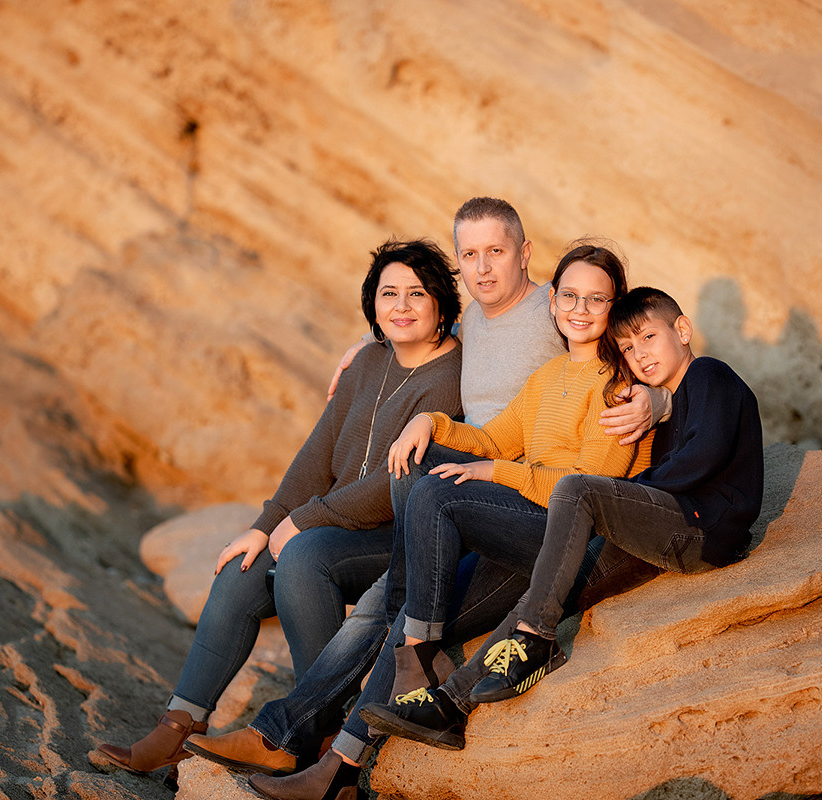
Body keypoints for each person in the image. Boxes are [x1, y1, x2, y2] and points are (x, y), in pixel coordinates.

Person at [180, 202, 665, 777]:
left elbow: (646, 353)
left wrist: (658, 398)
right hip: (486, 498)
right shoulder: (499, 339)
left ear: (527, 255)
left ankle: (380, 679)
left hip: (526, 512)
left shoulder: (566, 330)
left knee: (394, 585)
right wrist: (402, 381)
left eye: (498, 252)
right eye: (470, 255)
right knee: (377, 595)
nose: (484, 268)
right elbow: (450, 363)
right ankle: (299, 742)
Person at [92, 238, 464, 779]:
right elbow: (314, 458)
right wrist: (264, 526)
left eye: (416, 294)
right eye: (388, 294)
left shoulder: (450, 378)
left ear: (441, 307)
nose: (401, 306)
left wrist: (304, 520)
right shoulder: (366, 361)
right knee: (243, 568)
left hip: (401, 536)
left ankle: (304, 731)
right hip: (336, 528)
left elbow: (393, 484)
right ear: (373, 305)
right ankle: (179, 728)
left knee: (303, 555)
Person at [362, 287, 764, 752]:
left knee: (577, 489)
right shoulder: (660, 399)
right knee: (548, 586)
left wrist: (625, 496)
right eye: (629, 349)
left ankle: (539, 642)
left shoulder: (711, 374)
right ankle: (451, 704)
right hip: (663, 532)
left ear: (683, 330)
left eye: (649, 338)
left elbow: (703, 457)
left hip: (701, 526)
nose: (640, 355)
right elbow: (494, 437)